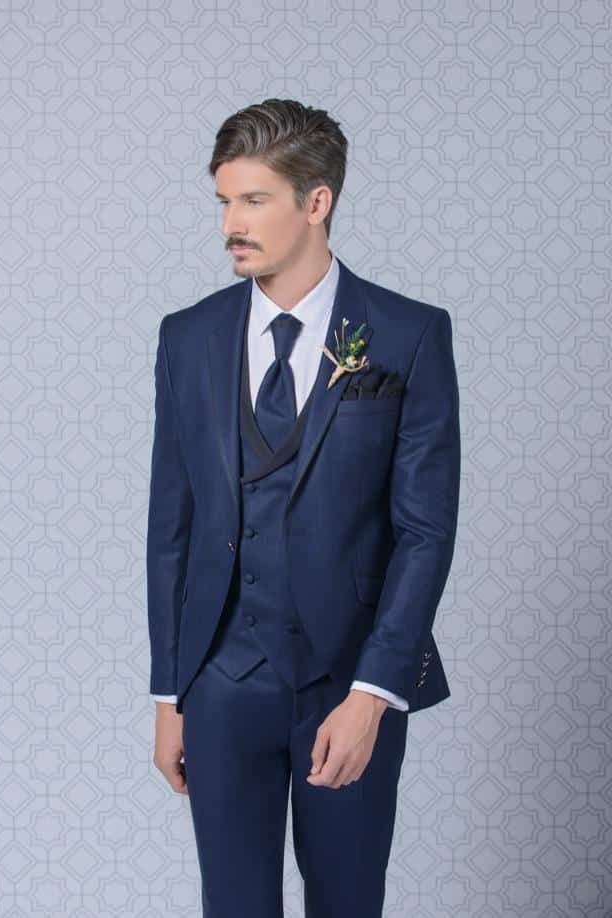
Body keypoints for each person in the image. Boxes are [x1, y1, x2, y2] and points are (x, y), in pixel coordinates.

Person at [147, 98, 460, 918]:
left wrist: (374, 694)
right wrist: (169, 696)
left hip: (346, 682)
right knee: (233, 906)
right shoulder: (187, 337)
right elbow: (171, 527)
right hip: (220, 687)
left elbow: (425, 532)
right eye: (224, 201)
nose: (231, 225)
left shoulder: (407, 334)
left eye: (254, 200)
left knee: (348, 903)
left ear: (316, 201)